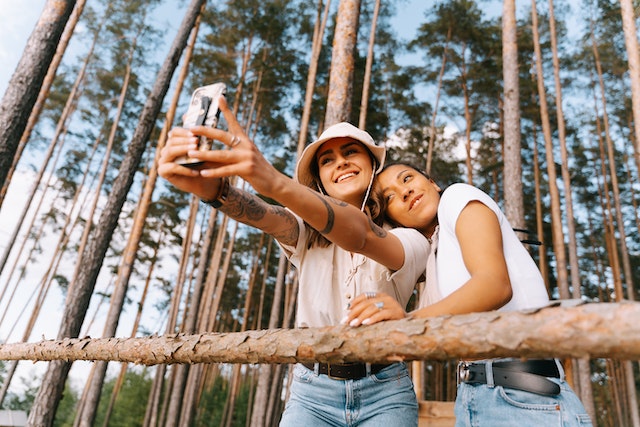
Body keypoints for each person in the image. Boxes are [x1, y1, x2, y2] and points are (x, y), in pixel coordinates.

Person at [158, 98, 429, 426]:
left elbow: (361, 234)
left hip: (386, 391)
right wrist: (214, 190)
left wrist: (273, 181)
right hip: (312, 392)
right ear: (320, 181)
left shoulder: (410, 238)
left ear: (373, 165)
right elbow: (266, 216)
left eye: (351, 152)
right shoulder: (305, 232)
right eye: (327, 160)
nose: (340, 163)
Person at [344, 162, 593, 427]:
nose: (404, 192)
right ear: (394, 220)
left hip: (524, 396)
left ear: (432, 182)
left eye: (407, 178)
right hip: (474, 394)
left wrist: (407, 321)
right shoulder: (435, 256)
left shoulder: (457, 196)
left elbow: (495, 285)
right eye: (391, 197)